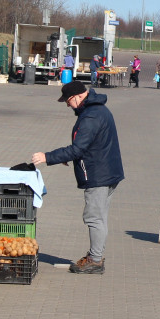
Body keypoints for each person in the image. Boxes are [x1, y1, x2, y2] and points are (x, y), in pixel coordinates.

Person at [31, 81, 124, 274]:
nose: (67, 104)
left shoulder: (91, 116)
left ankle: (95, 260)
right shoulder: (97, 110)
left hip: (99, 174)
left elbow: (78, 148)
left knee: (94, 217)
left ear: (78, 97)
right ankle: (95, 255)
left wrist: (47, 157)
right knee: (100, 217)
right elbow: (87, 146)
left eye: (67, 100)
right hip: (106, 171)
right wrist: (73, 156)